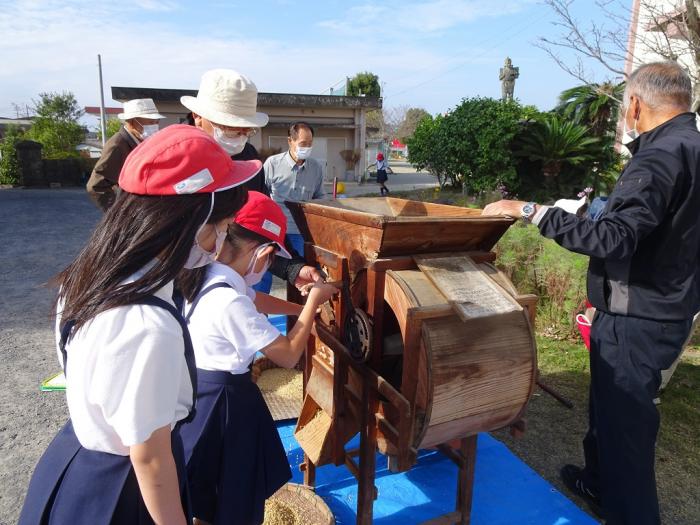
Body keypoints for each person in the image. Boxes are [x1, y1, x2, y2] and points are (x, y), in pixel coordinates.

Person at [482, 62, 700, 525]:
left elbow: (614, 239)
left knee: (626, 430)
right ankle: (597, 482)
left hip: (638, 316)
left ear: (636, 104)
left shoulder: (660, 157)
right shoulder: (693, 147)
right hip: (665, 306)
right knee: (609, 411)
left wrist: (532, 211)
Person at [19, 125, 261, 525]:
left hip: (75, 458)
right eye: (223, 226)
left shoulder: (90, 276)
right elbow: (149, 458)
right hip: (123, 490)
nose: (223, 238)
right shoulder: (147, 325)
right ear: (192, 221)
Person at [175, 191, 338, 525]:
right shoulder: (229, 303)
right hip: (225, 402)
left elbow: (258, 300)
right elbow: (289, 354)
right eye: (269, 259)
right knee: (232, 486)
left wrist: (303, 307)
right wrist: (313, 303)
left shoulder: (211, 276)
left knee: (206, 486)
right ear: (264, 253)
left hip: (198, 391)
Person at [183, 70, 323, 294]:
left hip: (226, 281)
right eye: (229, 126)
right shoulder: (175, 163)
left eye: (246, 129)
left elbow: (258, 224)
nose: (240, 135)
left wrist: (292, 268)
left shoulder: (248, 159)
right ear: (198, 116)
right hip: (179, 287)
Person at [262, 122, 324, 292]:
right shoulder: (272, 164)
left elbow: (320, 198)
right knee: (261, 275)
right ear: (290, 141)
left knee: (300, 279)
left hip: (299, 232)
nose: (307, 148)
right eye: (303, 144)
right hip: (272, 231)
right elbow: (261, 196)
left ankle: (298, 315)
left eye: (310, 144)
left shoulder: (316, 168)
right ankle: (258, 315)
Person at [86, 98, 165, 211]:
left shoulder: (141, 140)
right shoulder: (117, 145)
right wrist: (118, 212)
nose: (155, 126)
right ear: (132, 122)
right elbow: (96, 186)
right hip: (132, 212)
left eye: (157, 122)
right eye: (150, 122)